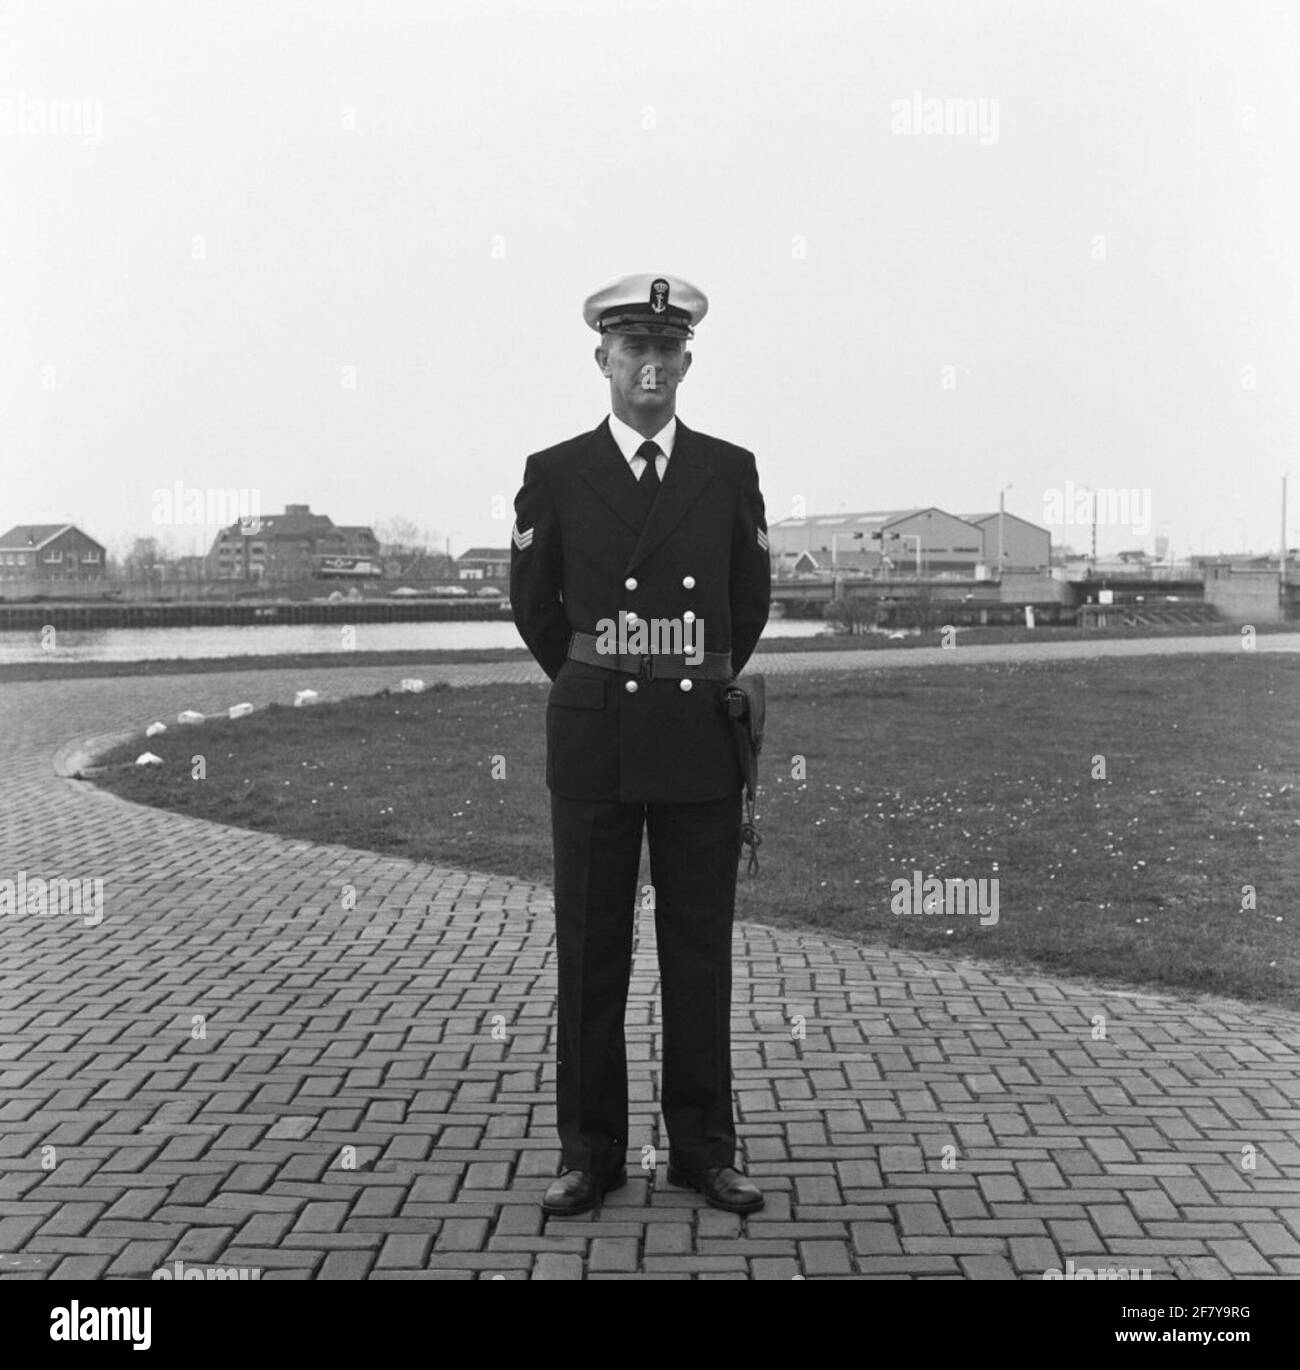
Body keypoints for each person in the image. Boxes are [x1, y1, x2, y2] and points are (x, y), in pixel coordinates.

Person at [509, 272, 772, 1216]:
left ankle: (704, 1149)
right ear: (604, 361)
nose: (651, 366)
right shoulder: (556, 471)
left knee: (697, 952)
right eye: (634, 351)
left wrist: (688, 676)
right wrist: (600, 677)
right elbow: (537, 610)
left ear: (687, 361)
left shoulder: (728, 469)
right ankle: (591, 1154)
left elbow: (746, 603)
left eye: (668, 350)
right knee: (591, 951)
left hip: (697, 737)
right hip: (595, 741)